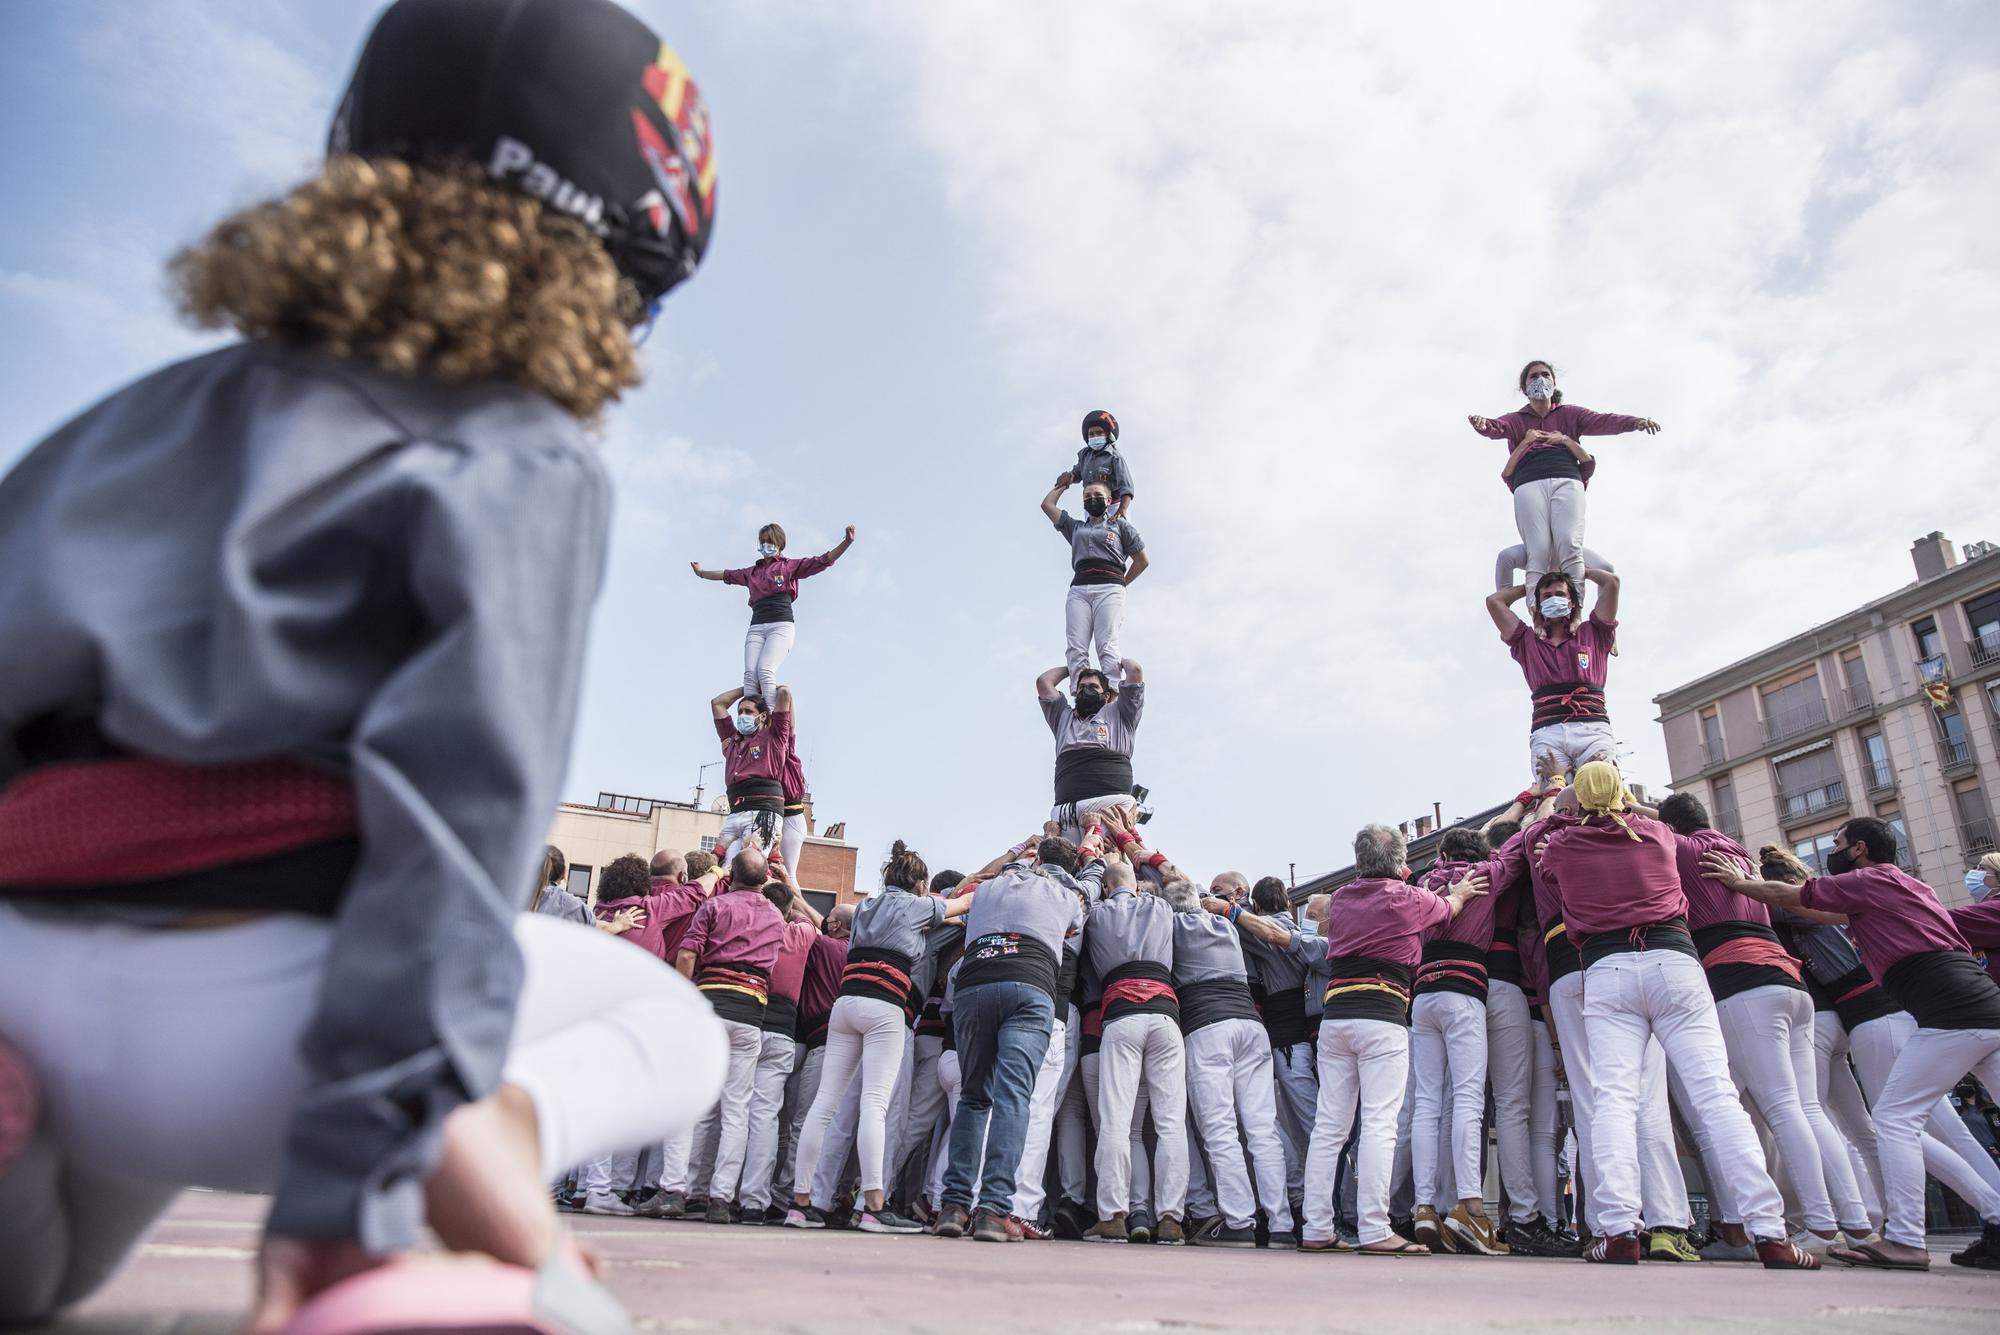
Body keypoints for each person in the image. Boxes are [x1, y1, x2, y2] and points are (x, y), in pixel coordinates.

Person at [0, 0, 728, 1325]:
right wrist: (355, 1194)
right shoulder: (520, 451)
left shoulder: (137, 416)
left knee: (47, 1276)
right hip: (256, 1025)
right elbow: (459, 817)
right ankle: (484, 1167)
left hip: (24, 964)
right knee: (674, 1025)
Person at [1540, 764, 1814, 1268]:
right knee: (1716, 1097)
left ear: (1578, 803)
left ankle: (1619, 1228)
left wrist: (1571, 807)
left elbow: (1550, 860)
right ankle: (1770, 1233)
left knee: (1613, 1101)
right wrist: (1629, 804)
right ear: (1624, 795)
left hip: (1607, 968)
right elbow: (1669, 828)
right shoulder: (1660, 832)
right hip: (1675, 963)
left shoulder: (1562, 846)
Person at [1704, 817, 2000, 1271]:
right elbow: (1824, 914)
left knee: (1894, 1119)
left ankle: (1903, 1238)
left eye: (1838, 843)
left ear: (1859, 849)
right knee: (1916, 1124)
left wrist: (1739, 883)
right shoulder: (1906, 886)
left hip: (1941, 1011)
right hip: (1979, 1004)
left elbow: (1792, 897)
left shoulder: (1869, 880)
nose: (1833, 850)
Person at [1238, 824, 1487, 1255]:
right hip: (1382, 1013)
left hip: (1336, 1017)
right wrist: (1462, 890)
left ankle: (1316, 1227)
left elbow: (1315, 918)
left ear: (1358, 862)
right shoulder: (1407, 897)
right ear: (1400, 863)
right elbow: (1449, 909)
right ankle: (1375, 1228)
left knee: (1330, 1126)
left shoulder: (1342, 899)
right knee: (1379, 1123)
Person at [1657, 793, 1874, 1255]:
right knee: (1806, 1108)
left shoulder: (1683, 848)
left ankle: (1817, 1225)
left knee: (1778, 1110)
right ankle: (1855, 1222)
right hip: (1790, 983)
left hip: (1742, 980)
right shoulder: (1734, 849)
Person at [790, 841, 971, 1233]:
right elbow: (962, 902)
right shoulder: (919, 907)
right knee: (877, 1105)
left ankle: (802, 1203)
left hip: (846, 1003)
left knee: (827, 1105)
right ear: (922, 884)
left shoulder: (866, 907)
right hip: (887, 1007)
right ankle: (873, 1205)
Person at [934, 833, 1101, 1243]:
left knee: (974, 1097)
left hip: (974, 985)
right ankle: (992, 1210)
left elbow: (971, 889)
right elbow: (1080, 913)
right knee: (1015, 1098)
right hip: (1030, 986)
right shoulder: (1066, 894)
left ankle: (953, 1207)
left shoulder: (987, 889)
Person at [1406, 825, 1532, 1255]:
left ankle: (1424, 1206)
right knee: (1467, 1100)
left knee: (1426, 1101)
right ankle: (1470, 1208)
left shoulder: (1425, 882)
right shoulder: (1487, 873)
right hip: (1464, 990)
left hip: (1423, 995)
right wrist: (1543, 794)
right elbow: (1519, 843)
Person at [1466, 360, 1659, 595]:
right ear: (1524, 388)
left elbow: (1604, 420)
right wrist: (1482, 425)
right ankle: (1534, 613)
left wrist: (1635, 422)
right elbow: (1497, 427)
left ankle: (1576, 610)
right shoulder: (1518, 420)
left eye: (1545, 375)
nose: (1540, 380)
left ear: (1554, 382)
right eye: (1534, 376)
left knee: (1569, 544)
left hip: (1565, 475)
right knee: (1537, 550)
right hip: (1530, 479)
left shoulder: (1570, 414)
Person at [1175, 882, 1292, 1248]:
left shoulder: (1174, 926)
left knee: (1220, 1129)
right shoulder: (1227, 925)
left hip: (1207, 1025)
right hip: (1251, 1026)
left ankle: (1239, 1221)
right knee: (1263, 1129)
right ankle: (1282, 1223)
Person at [675, 850, 786, 1225]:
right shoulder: (776, 917)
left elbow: (688, 956)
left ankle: (691, 1192)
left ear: (732, 875)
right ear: (765, 878)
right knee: (737, 1110)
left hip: (709, 1003)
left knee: (702, 1104)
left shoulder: (715, 907)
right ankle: (722, 1197)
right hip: (751, 1012)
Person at [1084, 861, 1189, 1244]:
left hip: (1120, 1016)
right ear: (1136, 885)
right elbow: (1178, 881)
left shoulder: (1096, 914)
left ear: (1108, 887)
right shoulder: (1161, 908)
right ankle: (1171, 1219)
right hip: (1165, 1015)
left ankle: (1112, 1214)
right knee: (1170, 1122)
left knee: (1115, 1120)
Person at [736, 855, 821, 1226]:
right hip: (785, 1030)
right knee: (767, 1118)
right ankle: (755, 1198)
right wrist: (792, 886)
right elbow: (822, 922)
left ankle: (717, 1190)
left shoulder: (753, 926)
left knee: (730, 1110)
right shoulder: (801, 934)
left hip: (748, 1014)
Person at [1486, 565, 1621, 793]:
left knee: (1603, 790)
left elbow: (1611, 583)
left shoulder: (1594, 632)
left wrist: (1579, 570)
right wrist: (1531, 586)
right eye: (1547, 596)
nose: (1553, 599)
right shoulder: (1525, 640)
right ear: (1538, 604)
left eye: (1560, 594)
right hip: (1547, 730)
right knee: (1552, 796)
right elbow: (1494, 602)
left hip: (1592, 728)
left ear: (1572, 602)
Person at [691, 522, 855, 708]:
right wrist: (701, 573)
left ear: (779, 544)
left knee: (765, 669)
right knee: (750, 674)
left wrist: (847, 542)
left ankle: (769, 717)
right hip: (757, 626)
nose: (766, 546)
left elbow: (823, 560)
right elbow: (725, 575)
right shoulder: (752, 572)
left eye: (770, 542)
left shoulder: (789, 566)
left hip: (780, 624)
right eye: (763, 542)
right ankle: (753, 722)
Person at [1236, 876, 1318, 1219]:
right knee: (1311, 1127)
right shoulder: (1307, 934)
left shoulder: (1262, 933)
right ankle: (1322, 1201)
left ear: (1256, 905)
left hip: (1285, 1046)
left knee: (1297, 1127)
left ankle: (1311, 1202)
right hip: (1303, 1041)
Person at [779, 903, 852, 1226]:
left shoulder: (826, 946)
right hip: (827, 1045)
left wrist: (786, 894)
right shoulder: (852, 950)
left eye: (829, 919)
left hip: (822, 1045)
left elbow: (803, 922)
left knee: (803, 1121)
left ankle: (789, 1194)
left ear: (835, 926)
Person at [1042, 476, 1148, 693]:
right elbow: (1047, 505)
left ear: (1109, 500)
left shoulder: (1120, 526)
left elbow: (1142, 560)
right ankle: (1080, 693)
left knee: (1106, 643)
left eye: (1098, 496)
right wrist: (1066, 483)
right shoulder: (1075, 528)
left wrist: (1122, 583)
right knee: (1076, 646)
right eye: (1088, 496)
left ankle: (1111, 693)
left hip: (1110, 587)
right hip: (1080, 589)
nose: (1092, 499)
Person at [1036, 661, 1145, 840]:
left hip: (1111, 807)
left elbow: (1135, 670)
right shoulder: (1063, 717)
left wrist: (1115, 662)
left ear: (1107, 695)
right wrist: (1073, 667)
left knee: (1108, 860)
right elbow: (1044, 682)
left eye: (1093, 687)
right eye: (1082, 687)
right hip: (1067, 810)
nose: (1086, 690)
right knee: (1066, 861)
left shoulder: (1120, 714)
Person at [711, 685, 796, 862]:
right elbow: (717, 704)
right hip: (735, 811)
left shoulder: (774, 737)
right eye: (740, 711)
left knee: (749, 863)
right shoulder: (731, 740)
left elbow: (785, 694)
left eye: (748, 711)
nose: (743, 716)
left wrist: (766, 685)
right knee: (717, 860)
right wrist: (747, 689)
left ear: (762, 716)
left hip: (763, 810)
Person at [1061, 409, 1136, 519]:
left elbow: (1127, 487)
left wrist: (1122, 509)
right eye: (1091, 434)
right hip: (1091, 507)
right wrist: (1068, 477)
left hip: (1114, 506)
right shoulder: (1084, 455)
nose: (1095, 436)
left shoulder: (1115, 457)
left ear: (1108, 435)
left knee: (1115, 535)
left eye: (1099, 433)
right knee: (1091, 534)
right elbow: (1076, 474)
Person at [1496, 544, 1612, 593]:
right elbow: (1505, 558)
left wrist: (1582, 571)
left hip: (1567, 552)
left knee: (1606, 569)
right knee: (1506, 557)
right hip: (1537, 551)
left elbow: (1606, 569)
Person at [530, 845, 591, 926]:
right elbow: (602, 928)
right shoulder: (568, 903)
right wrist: (613, 925)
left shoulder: (517, 893)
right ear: (563, 873)